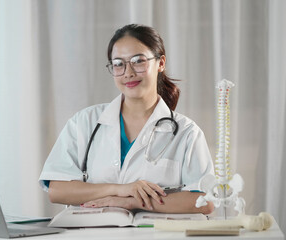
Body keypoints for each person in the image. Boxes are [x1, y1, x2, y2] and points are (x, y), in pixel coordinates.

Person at [39, 24, 214, 214]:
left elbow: (205, 201)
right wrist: (121, 189)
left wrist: (132, 202)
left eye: (138, 61)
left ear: (161, 63)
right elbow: (57, 190)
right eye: (119, 64)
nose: (128, 72)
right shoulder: (85, 122)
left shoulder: (186, 132)